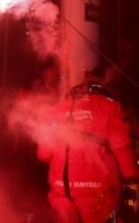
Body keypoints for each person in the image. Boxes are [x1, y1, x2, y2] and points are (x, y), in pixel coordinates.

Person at [37, 71, 139, 223]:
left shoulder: (56, 110)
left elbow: (43, 154)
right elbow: (122, 149)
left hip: (61, 195)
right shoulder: (111, 108)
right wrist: (133, 180)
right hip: (99, 195)